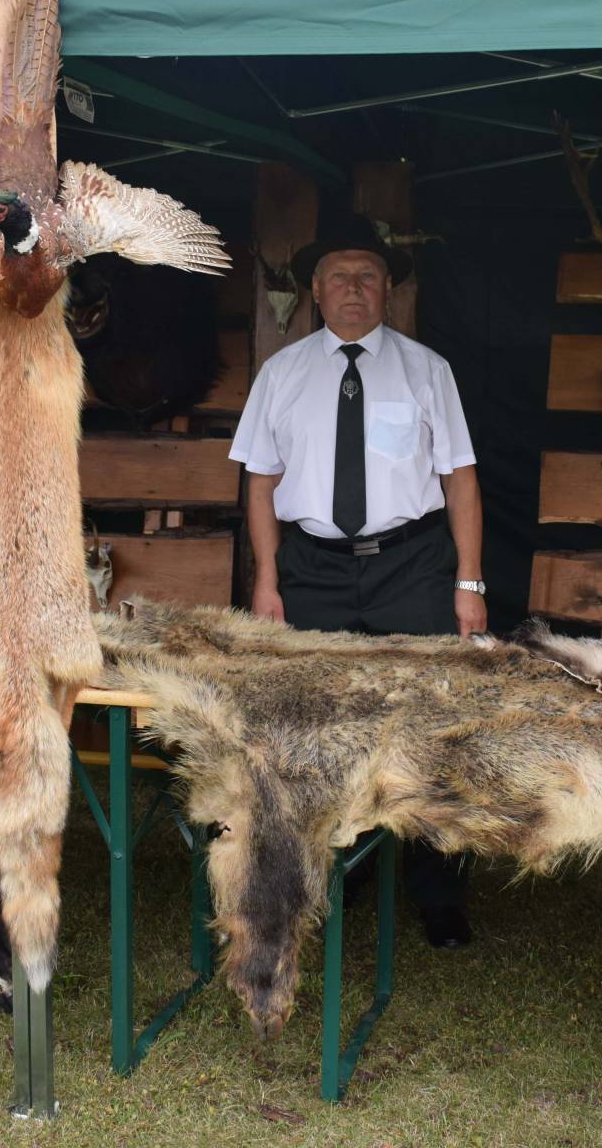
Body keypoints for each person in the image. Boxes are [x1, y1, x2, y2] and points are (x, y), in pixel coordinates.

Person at [229, 214, 485, 948]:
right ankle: (340, 873)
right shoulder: (282, 374)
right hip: (312, 571)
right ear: (314, 288)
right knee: (318, 729)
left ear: (387, 290)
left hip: (411, 566)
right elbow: (260, 482)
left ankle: (439, 894)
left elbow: (460, 478)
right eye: (339, 275)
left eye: (367, 275)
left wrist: (469, 582)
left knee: (430, 726)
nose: (353, 288)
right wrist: (268, 579)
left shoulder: (427, 370)